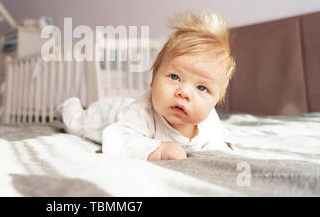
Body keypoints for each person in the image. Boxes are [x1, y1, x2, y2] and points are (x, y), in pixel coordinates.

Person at [58, 10, 236, 161]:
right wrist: (159, 150)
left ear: (216, 100)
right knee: (76, 123)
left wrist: (220, 146)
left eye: (202, 88)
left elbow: (219, 137)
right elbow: (115, 136)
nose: (184, 92)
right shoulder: (142, 113)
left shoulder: (209, 119)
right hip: (107, 113)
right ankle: (69, 105)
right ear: (153, 78)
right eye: (175, 77)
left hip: (126, 104)